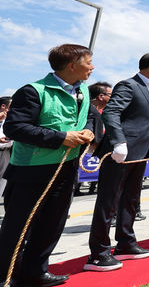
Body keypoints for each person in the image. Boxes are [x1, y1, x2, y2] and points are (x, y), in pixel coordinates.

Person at [0, 44, 95, 286]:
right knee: (18, 226)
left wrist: (89, 132)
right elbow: (15, 127)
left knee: (53, 223)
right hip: (31, 171)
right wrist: (62, 137)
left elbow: (92, 118)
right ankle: (6, 275)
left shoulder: (83, 91)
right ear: (72, 66)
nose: (92, 67)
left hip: (66, 168)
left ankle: (36, 271)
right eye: (88, 62)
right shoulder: (33, 91)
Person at [86, 52, 149, 271]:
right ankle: (99, 253)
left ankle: (125, 243)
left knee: (131, 199)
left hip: (140, 152)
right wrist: (118, 141)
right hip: (121, 152)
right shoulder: (128, 85)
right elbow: (112, 112)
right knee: (109, 202)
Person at [75, 82, 112, 196]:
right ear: (101, 96)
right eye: (111, 95)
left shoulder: (95, 110)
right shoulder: (87, 109)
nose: (113, 98)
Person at [0, 96, 13, 199]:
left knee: (3, 181)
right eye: (11, 106)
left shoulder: (10, 119)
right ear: (3, 106)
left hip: (6, 152)